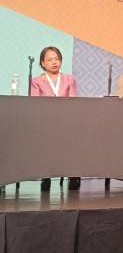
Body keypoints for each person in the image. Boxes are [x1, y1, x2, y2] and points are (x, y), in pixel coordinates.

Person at [30, 45, 80, 191]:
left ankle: (73, 174)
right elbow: (34, 102)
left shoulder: (69, 79)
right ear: (42, 63)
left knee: (73, 138)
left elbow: (73, 101)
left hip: (66, 121)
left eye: (57, 59)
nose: (54, 62)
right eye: (50, 59)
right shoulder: (37, 81)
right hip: (45, 121)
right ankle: (46, 176)